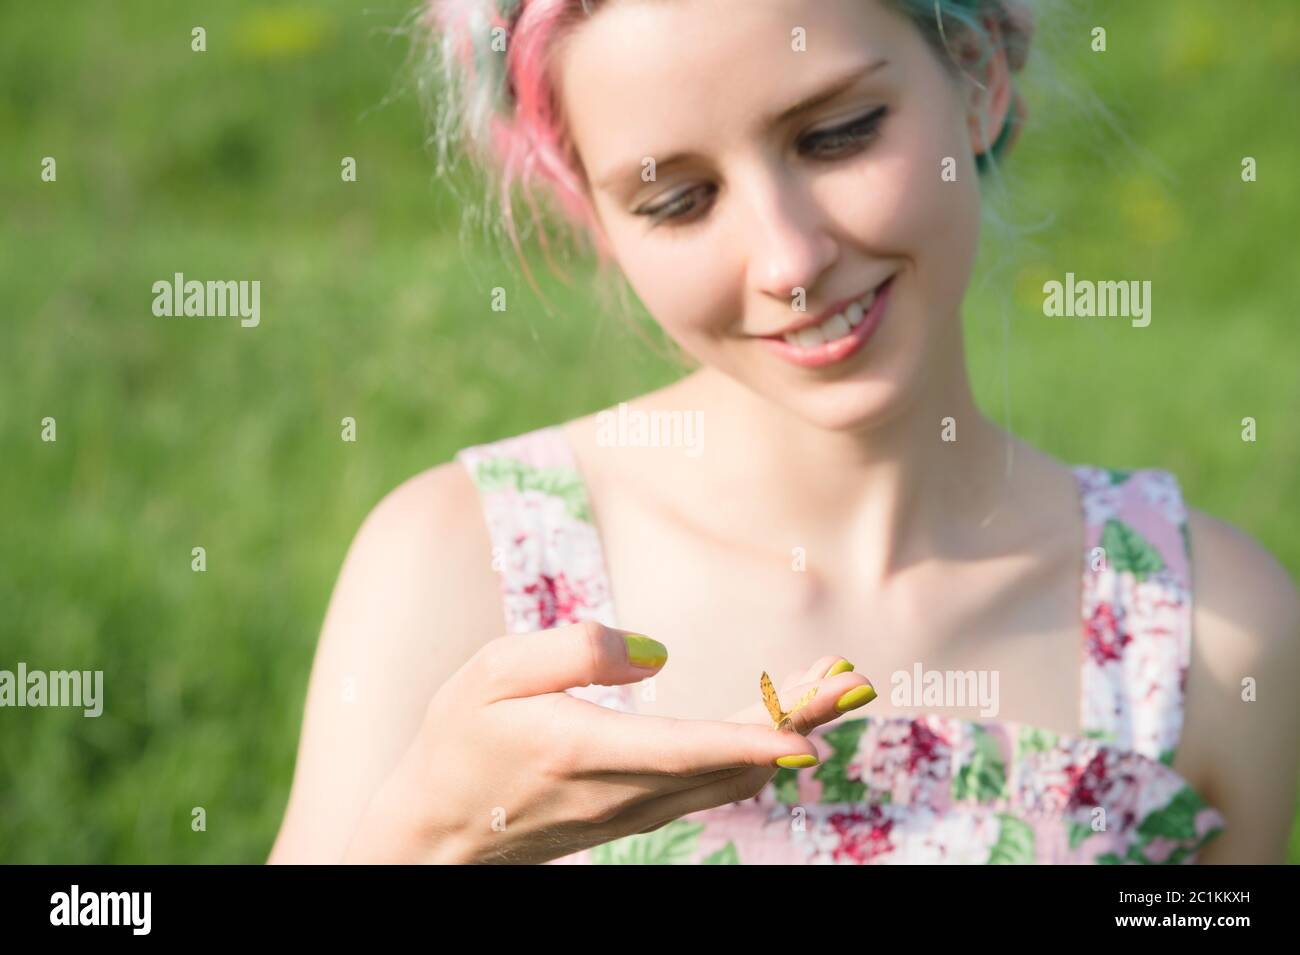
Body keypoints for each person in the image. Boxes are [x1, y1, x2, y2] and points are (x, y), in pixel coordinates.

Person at [268, 0, 1300, 864]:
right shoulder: (459, 571)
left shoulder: (1206, 634)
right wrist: (426, 839)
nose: (787, 259)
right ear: (594, 219)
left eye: (837, 134)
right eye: (677, 199)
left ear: (979, 76)